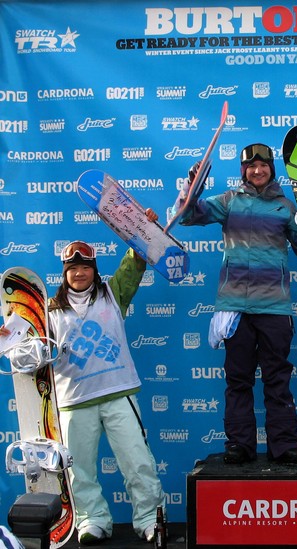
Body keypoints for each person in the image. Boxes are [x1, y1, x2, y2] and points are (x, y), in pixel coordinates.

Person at [175, 143, 297, 465]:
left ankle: (284, 446)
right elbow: (188, 215)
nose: (257, 171)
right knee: (238, 380)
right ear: (243, 171)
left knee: (277, 380)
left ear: (271, 168)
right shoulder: (230, 201)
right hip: (236, 308)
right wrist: (194, 185)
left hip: (274, 308)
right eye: (250, 166)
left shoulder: (285, 207)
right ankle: (240, 445)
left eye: (263, 165)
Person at [47, 228, 166, 544]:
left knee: (138, 461)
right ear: (65, 273)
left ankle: (149, 520)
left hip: (119, 393)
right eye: (73, 269)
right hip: (74, 400)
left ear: (94, 270)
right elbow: (26, 345)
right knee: (79, 469)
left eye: (85, 267)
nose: (80, 273)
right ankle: (92, 519)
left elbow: (135, 263)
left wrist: (144, 227)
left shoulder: (113, 293)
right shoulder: (49, 310)